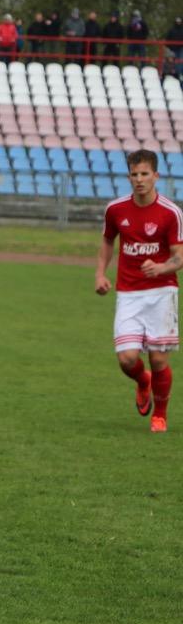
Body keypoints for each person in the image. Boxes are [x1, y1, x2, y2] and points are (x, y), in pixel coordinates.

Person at [95, 150, 182, 434]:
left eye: (145, 174)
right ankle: (143, 381)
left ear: (156, 176)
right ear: (129, 176)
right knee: (127, 359)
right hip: (129, 293)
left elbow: (179, 257)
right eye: (134, 174)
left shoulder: (171, 213)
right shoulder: (116, 209)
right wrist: (100, 274)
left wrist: (161, 268)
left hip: (162, 293)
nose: (139, 180)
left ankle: (160, 416)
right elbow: (107, 241)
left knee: (158, 359)